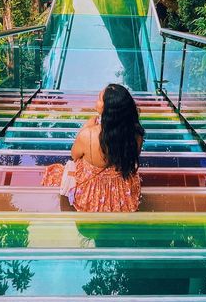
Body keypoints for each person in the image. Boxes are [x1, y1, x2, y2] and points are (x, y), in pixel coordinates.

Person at [42, 83, 145, 212]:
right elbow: (133, 156)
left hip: (92, 191)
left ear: (108, 109)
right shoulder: (136, 133)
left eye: (99, 99)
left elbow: (74, 156)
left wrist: (87, 127)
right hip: (121, 191)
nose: (96, 101)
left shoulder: (88, 135)